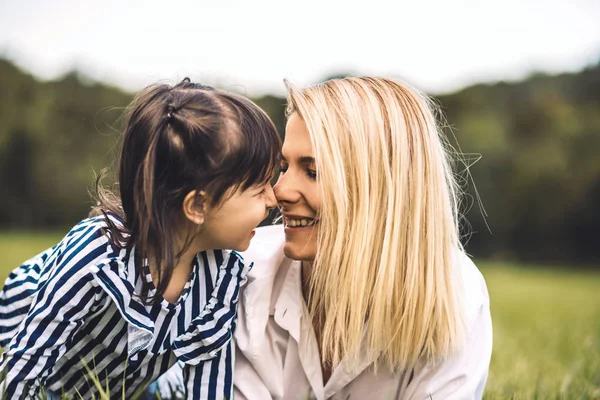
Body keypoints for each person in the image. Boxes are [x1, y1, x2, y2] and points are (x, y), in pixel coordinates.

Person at [0, 78, 280, 399]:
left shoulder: (222, 277)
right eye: (259, 189)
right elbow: (27, 362)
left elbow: (209, 381)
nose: (273, 200)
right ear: (198, 205)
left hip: (126, 384)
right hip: (39, 366)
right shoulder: (96, 257)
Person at [233, 76, 493, 399]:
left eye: (313, 172)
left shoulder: (455, 299)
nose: (279, 191)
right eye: (284, 167)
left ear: (381, 191)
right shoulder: (243, 274)